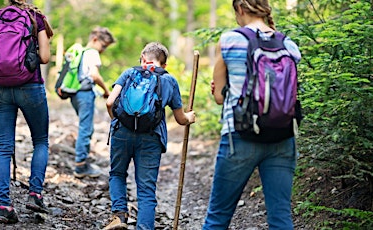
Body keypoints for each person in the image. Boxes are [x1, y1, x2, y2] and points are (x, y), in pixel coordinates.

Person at [203, 0, 301, 229]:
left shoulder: (229, 40)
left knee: (217, 217)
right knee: (281, 218)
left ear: (240, 9)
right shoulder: (289, 44)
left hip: (239, 136)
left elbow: (219, 97)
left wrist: (220, 88)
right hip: (283, 137)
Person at [104, 42, 196, 230]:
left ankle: (120, 216)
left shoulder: (129, 73)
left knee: (117, 173)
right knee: (146, 188)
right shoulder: (169, 80)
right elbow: (180, 119)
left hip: (122, 132)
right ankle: (144, 226)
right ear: (164, 64)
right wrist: (190, 117)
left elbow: (110, 102)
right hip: (151, 137)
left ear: (143, 58)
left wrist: (118, 122)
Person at [0, 0, 54, 224]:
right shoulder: (36, 19)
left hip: (0, 89)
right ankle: (35, 194)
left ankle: (4, 206)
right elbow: (44, 58)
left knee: (3, 147)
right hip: (31, 86)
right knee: (40, 141)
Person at [69, 27, 116, 178]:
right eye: (103, 46)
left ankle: (82, 160)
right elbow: (94, 75)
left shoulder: (81, 52)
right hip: (85, 94)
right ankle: (80, 165)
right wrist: (106, 90)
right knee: (86, 129)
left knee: (84, 127)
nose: (103, 50)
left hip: (75, 94)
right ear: (95, 39)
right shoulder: (92, 53)